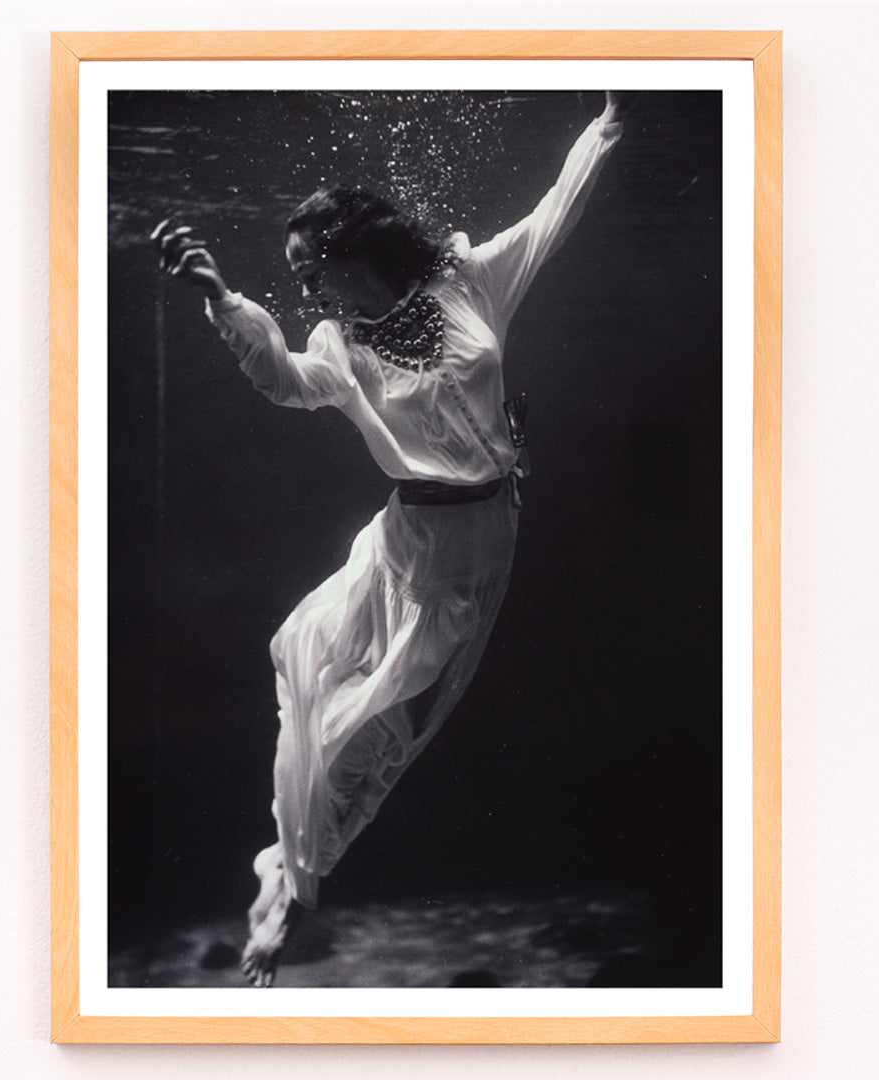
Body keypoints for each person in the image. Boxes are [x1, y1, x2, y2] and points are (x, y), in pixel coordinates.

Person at [152, 91, 629, 987]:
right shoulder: (338, 342)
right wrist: (222, 298)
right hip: (402, 538)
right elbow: (290, 382)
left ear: (348, 247)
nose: (301, 284)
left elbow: (552, 213)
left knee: (370, 728)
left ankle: (288, 885)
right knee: (309, 672)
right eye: (292, 273)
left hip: (477, 544)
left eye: (308, 264)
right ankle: (289, 884)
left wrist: (607, 121)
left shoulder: (467, 279)